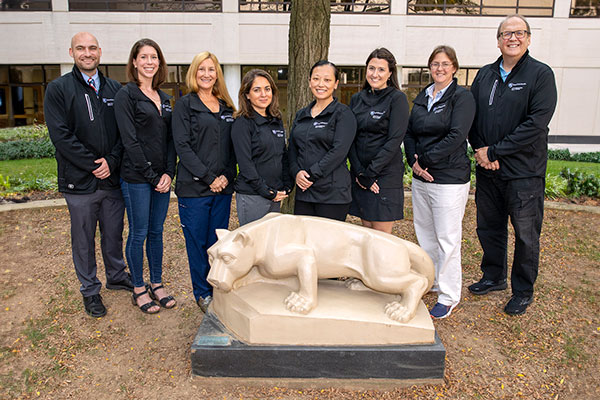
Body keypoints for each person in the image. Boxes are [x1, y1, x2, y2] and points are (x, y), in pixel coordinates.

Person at [468, 14, 557, 315]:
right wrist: (481, 151)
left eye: (519, 33)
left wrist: (495, 152)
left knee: (525, 234)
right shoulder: (485, 74)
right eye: (506, 33)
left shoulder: (540, 75)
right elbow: (471, 115)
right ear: (498, 40)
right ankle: (493, 276)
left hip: (524, 173)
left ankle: (523, 290)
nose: (512, 38)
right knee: (488, 228)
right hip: (487, 170)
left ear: (529, 39)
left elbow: (536, 125)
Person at [44, 32, 132, 318]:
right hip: (79, 181)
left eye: (92, 48)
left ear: (100, 52)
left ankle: (116, 276)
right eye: (80, 48)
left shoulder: (115, 89)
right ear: (71, 52)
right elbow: (61, 136)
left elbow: (124, 133)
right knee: (83, 239)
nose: (87, 53)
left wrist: (112, 160)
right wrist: (93, 164)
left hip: (111, 179)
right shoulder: (59, 89)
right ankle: (90, 290)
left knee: (113, 233)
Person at [404, 45, 476, 319]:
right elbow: (409, 132)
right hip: (422, 179)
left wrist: (426, 161)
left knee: (447, 238)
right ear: (429, 67)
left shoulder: (462, 97)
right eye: (435, 64)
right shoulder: (424, 95)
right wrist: (413, 160)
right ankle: (432, 281)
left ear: (454, 68)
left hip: (448, 179)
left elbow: (457, 136)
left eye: (445, 64)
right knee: (425, 234)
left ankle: (448, 294)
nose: (440, 68)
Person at [114, 38, 176, 314]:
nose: (150, 62)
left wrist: (169, 173)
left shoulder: (165, 98)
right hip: (137, 178)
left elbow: (170, 140)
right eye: (144, 57)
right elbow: (130, 141)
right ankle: (138, 287)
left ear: (159, 63)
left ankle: (157, 283)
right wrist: (152, 176)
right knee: (138, 233)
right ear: (135, 62)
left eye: (155, 57)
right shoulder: (126, 95)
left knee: (156, 232)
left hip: (161, 178)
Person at [172, 52, 236, 313]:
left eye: (212, 69)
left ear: (217, 74)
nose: (207, 74)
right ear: (194, 73)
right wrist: (209, 178)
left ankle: (217, 289)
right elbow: (183, 147)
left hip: (222, 188)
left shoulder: (226, 107)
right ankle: (202, 293)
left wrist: (226, 177)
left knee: (217, 244)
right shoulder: (185, 105)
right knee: (197, 244)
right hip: (194, 189)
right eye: (202, 69)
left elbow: (233, 149)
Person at [348, 48, 409, 234]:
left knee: (381, 240)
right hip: (360, 175)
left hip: (384, 175)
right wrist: (359, 172)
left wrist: (371, 173)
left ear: (390, 73)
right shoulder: (357, 99)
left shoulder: (397, 99)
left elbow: (394, 140)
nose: (375, 74)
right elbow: (350, 138)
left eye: (381, 69)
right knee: (366, 235)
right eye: (371, 68)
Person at [288, 60, 357, 221]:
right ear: (309, 82)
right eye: (316, 78)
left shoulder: (343, 114)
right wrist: (296, 172)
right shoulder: (301, 114)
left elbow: (339, 151)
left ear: (336, 84)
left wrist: (311, 175)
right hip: (304, 193)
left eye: (327, 80)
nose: (321, 84)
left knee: (329, 245)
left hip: (332, 195)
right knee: (304, 242)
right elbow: (292, 149)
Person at [232, 69, 292, 226]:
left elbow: (282, 154)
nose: (263, 94)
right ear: (247, 94)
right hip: (253, 196)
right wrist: (266, 191)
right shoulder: (242, 123)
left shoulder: (276, 119)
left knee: (269, 245)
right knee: (254, 247)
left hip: (275, 195)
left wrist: (286, 185)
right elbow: (245, 164)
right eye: (256, 90)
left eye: (267, 89)